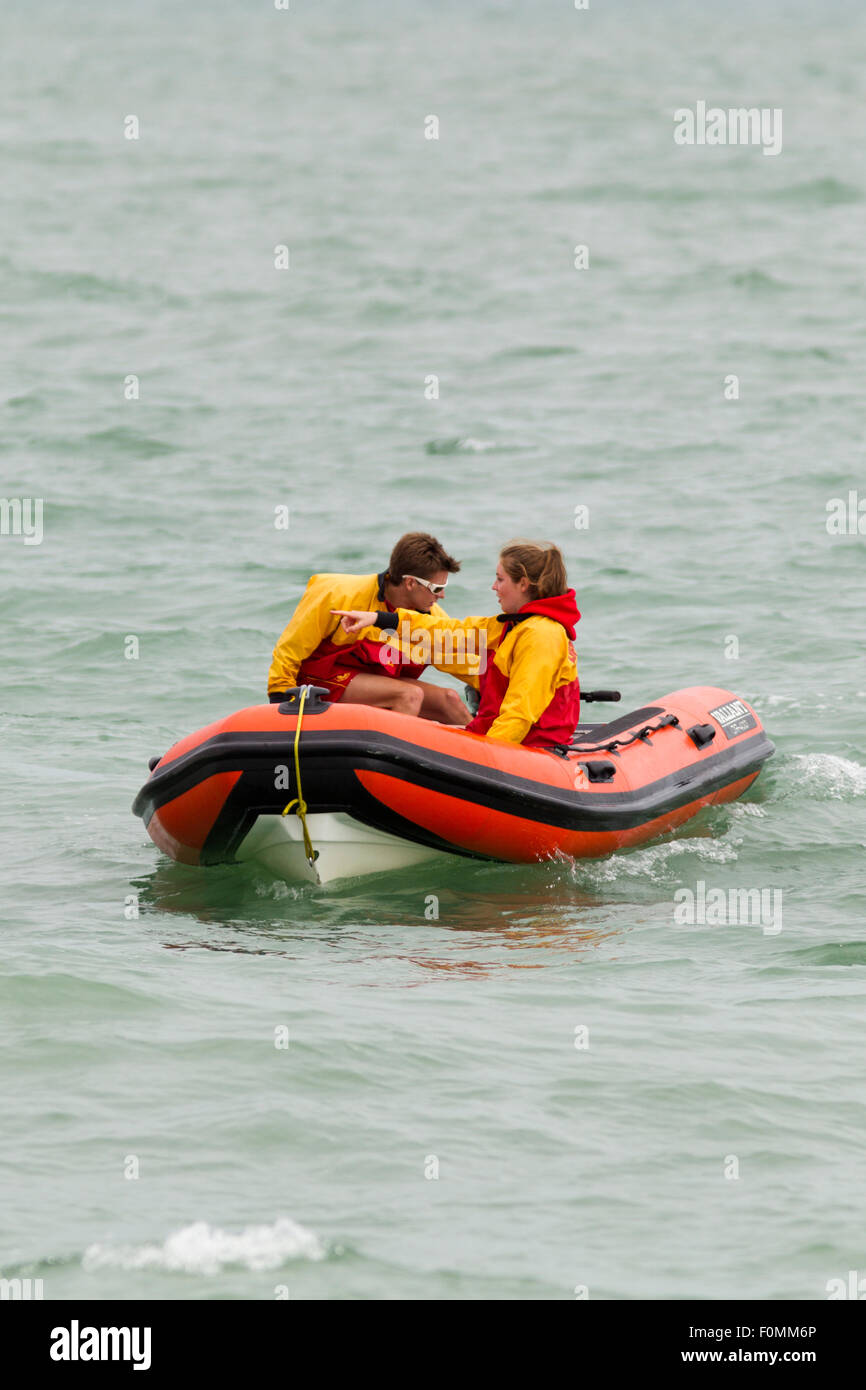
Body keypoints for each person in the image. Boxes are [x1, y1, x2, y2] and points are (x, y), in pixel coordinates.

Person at [334, 540, 580, 748]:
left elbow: (519, 713)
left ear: (524, 584)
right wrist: (381, 618)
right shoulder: (511, 625)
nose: (494, 587)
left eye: (500, 579)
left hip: (531, 748)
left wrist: (485, 758)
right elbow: (447, 632)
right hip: (499, 737)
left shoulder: (541, 635)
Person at [268, 532, 473, 724]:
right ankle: (385, 759)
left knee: (450, 700)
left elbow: (467, 661)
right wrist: (280, 697)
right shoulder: (338, 593)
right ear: (410, 583)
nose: (442, 596)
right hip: (321, 679)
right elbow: (290, 648)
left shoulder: (432, 618)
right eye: (437, 588)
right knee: (409, 695)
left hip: (378, 683)